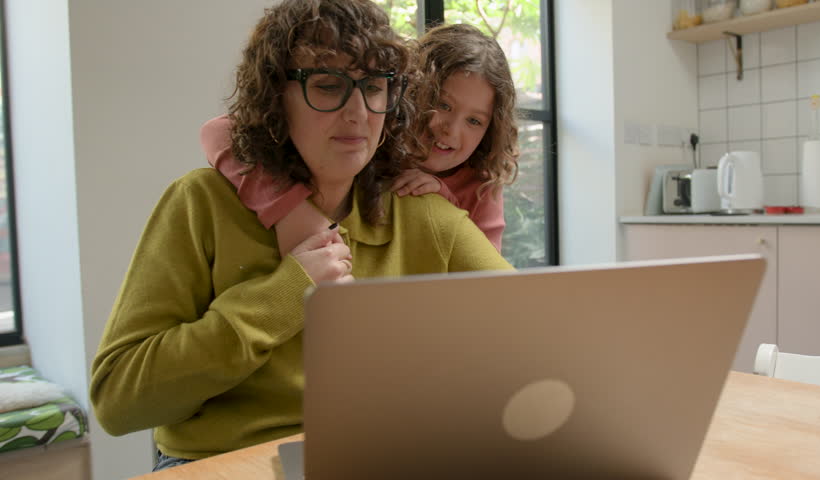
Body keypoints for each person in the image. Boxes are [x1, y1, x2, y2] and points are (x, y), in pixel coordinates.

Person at [89, 0, 512, 471]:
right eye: (329, 86)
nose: (358, 112)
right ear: (275, 96)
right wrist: (284, 296)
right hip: (226, 461)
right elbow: (118, 402)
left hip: (376, 454)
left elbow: (537, 335)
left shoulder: (430, 217)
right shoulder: (199, 203)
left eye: (375, 88)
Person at [200, 23, 519, 255]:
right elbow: (218, 131)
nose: (450, 128)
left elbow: (486, 282)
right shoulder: (371, 140)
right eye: (442, 103)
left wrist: (442, 199)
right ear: (406, 91)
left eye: (474, 120)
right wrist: (287, 208)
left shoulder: (482, 184)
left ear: (491, 130)